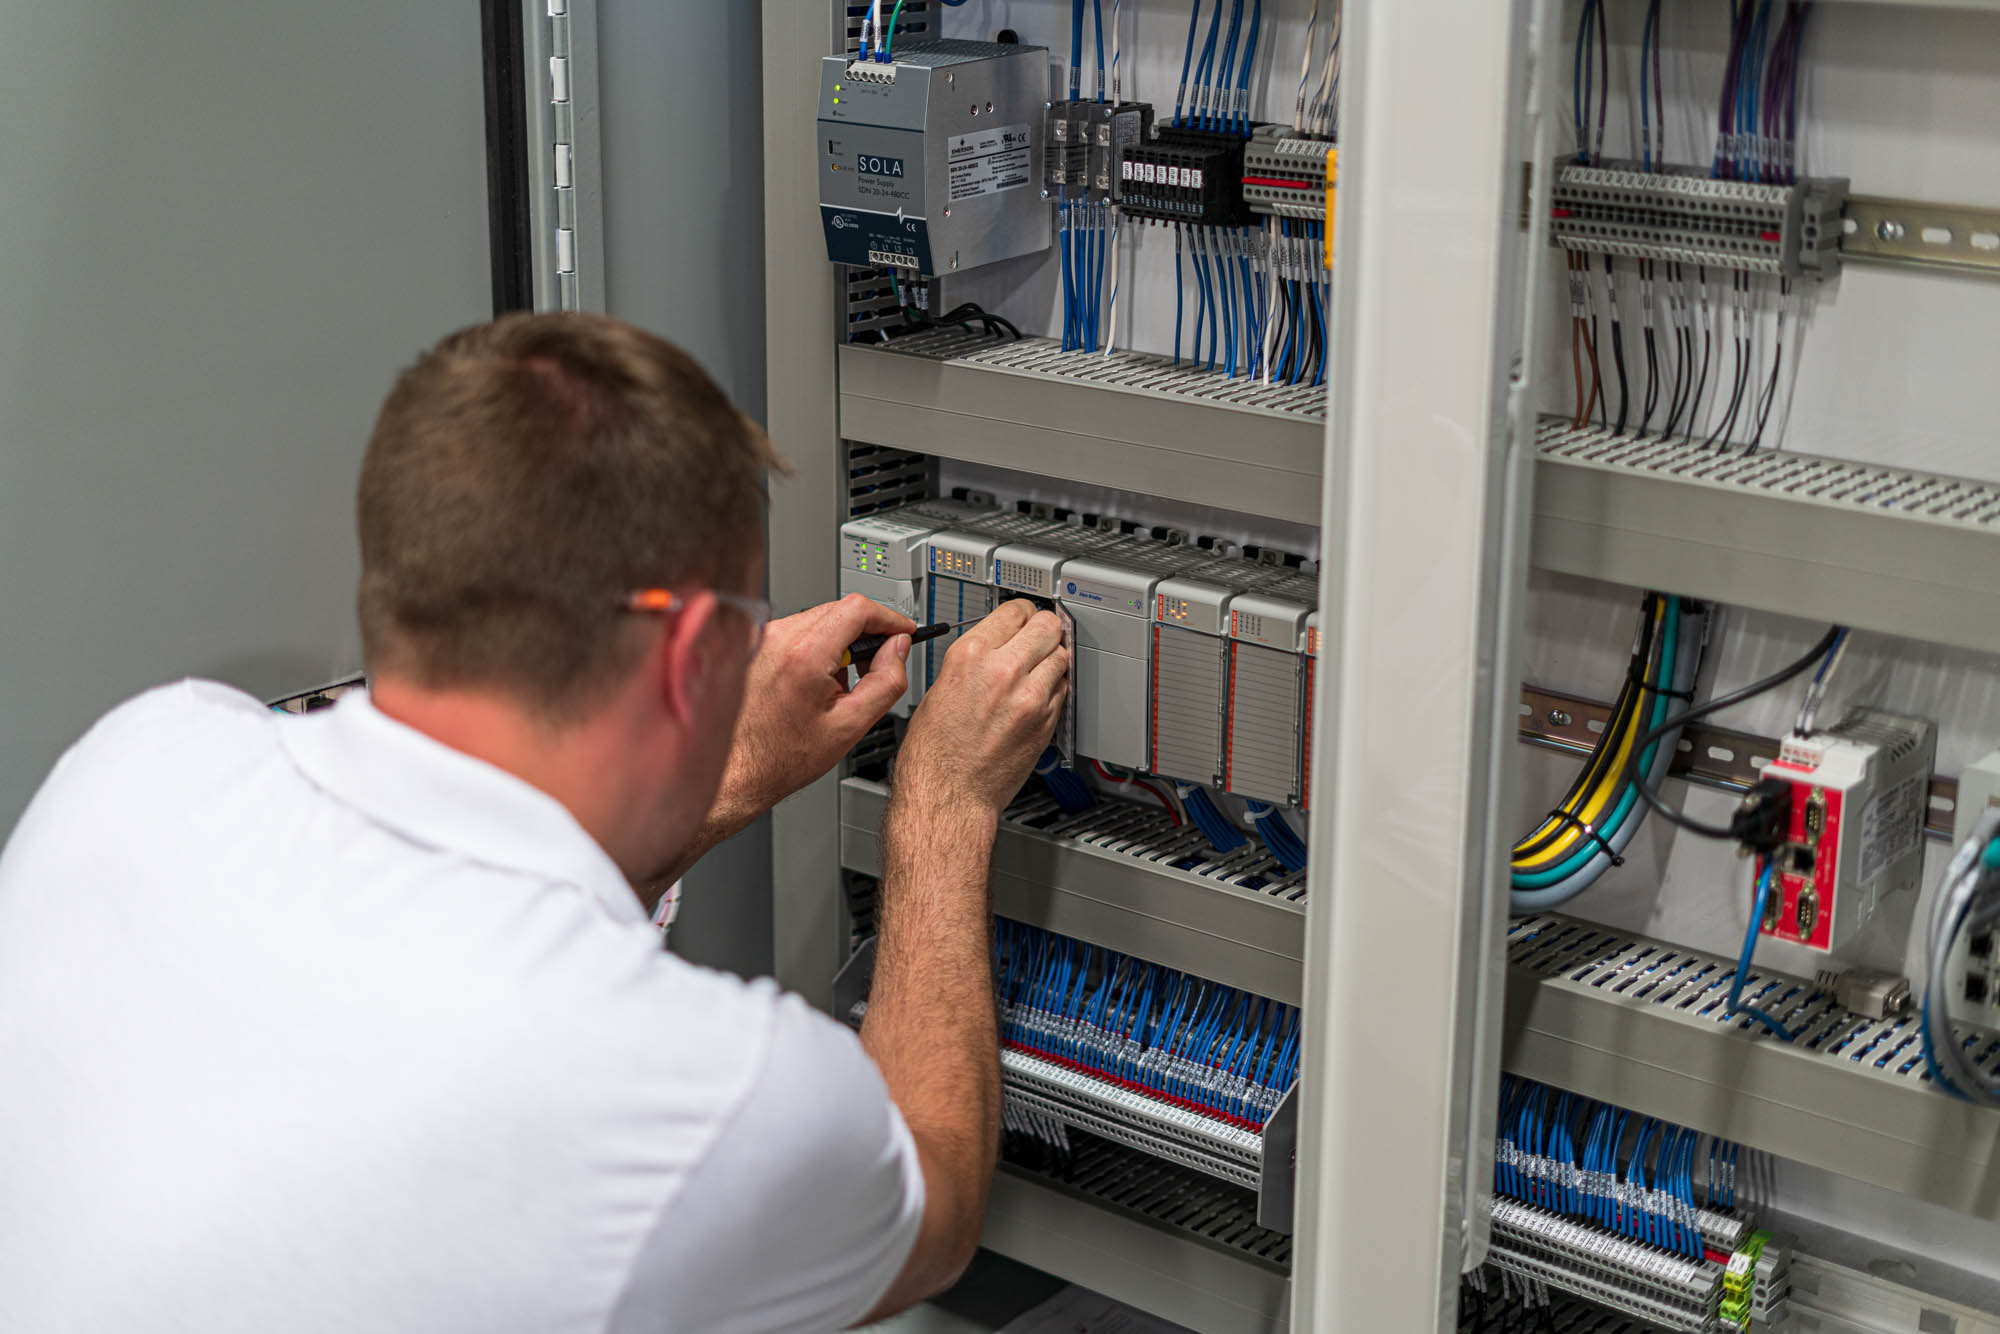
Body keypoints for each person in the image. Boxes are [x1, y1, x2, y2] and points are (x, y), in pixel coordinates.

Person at [0, 313, 1071, 1333]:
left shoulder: (142, 760)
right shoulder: (691, 1087)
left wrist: (728, 763)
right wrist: (943, 804)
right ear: (693, 650)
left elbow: (465, 888)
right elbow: (928, 1206)